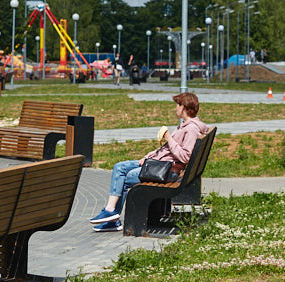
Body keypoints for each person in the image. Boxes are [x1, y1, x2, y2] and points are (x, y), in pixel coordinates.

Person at [88, 92, 208, 232]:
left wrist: (169, 138)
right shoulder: (186, 126)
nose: (175, 108)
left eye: (177, 105)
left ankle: (111, 216)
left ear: (184, 107)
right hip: (161, 165)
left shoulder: (191, 129)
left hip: (167, 172)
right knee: (119, 167)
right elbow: (167, 151)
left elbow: (185, 157)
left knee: (127, 177)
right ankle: (111, 212)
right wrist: (148, 157)